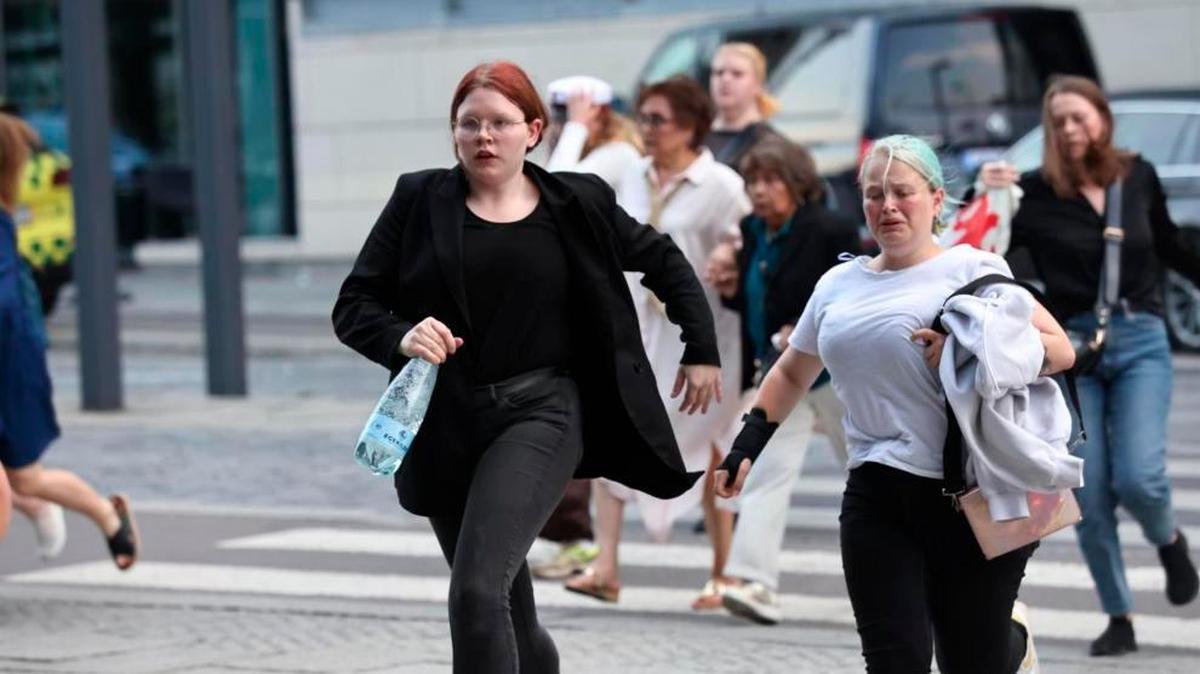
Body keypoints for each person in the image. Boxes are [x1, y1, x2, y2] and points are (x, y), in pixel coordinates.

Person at [332, 61, 722, 674]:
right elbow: (352, 305)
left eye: (500, 123)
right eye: (469, 125)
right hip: (444, 423)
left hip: (541, 413)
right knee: (509, 613)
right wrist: (400, 335)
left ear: (533, 130)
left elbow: (664, 260)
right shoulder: (418, 199)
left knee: (475, 591)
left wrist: (701, 349)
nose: (484, 137)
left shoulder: (576, 203)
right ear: (454, 133)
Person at [716, 134, 1077, 673]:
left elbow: (1060, 351)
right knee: (894, 661)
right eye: (874, 194)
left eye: (902, 193)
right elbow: (793, 368)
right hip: (876, 494)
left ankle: (1012, 642)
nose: (887, 206)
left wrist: (964, 350)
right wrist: (748, 443)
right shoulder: (840, 283)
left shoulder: (973, 270)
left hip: (968, 492)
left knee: (972, 661)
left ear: (935, 200)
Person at [977, 75, 1200, 656]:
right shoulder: (1033, 193)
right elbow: (990, 253)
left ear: (1101, 118)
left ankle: (1167, 538)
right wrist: (989, 195)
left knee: (1140, 476)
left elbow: (1171, 245)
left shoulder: (1138, 175)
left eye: (1080, 118)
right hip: (1075, 350)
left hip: (1143, 338)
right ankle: (1119, 615)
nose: (1071, 131)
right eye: (1059, 123)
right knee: (1091, 490)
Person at [564, 75, 748, 610]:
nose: (646, 129)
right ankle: (606, 566)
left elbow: (742, 244)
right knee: (611, 433)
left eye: (658, 120)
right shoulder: (630, 174)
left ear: (690, 126)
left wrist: (728, 260)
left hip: (701, 336)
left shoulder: (722, 185)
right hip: (634, 329)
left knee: (715, 443)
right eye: (642, 117)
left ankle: (723, 572)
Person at [704, 139, 859, 624]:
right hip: (779, 373)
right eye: (754, 183)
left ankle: (914, 569)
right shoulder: (753, 230)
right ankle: (754, 582)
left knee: (868, 469)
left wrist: (803, 325)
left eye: (772, 181)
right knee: (766, 471)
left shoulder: (827, 229)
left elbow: (851, 292)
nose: (761, 192)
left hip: (834, 374)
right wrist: (731, 289)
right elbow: (757, 299)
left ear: (797, 183)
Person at [0, 112, 139, 571]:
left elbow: (6, 308)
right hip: (15, 360)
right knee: (23, 481)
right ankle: (88, 512)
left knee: (24, 477)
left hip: (12, 370)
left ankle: (103, 513)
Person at [531, 75, 644, 581]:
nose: (558, 125)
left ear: (597, 113)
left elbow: (558, 188)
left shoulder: (618, 154)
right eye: (557, 115)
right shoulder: (583, 151)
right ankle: (572, 536)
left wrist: (573, 129)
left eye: (568, 113)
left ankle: (581, 539)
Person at [544, 75, 642, 185]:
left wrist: (577, 125)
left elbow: (556, 188)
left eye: (569, 119)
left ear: (601, 114)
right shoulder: (576, 152)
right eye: (558, 119)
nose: (561, 128)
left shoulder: (621, 153)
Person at [705, 42, 784, 170]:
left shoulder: (771, 144)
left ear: (758, 84)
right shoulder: (692, 138)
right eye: (718, 73)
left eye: (737, 74)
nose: (725, 79)